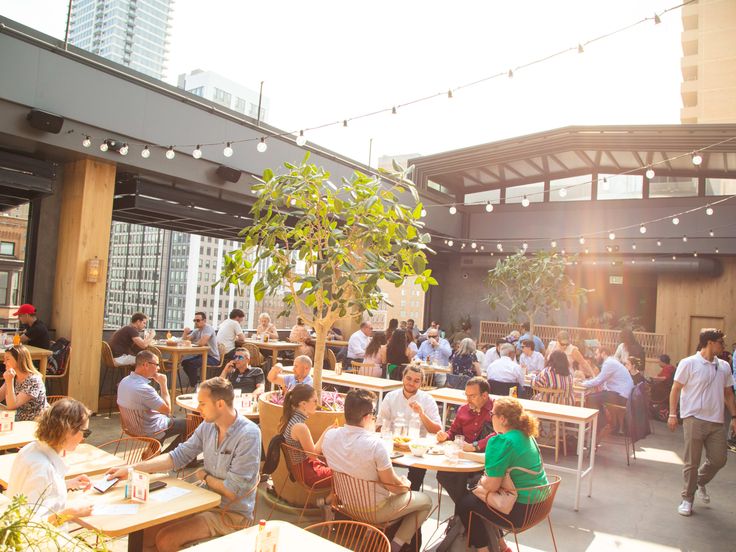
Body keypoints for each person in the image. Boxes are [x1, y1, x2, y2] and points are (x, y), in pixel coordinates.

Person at [107, 377, 261, 552]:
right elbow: (177, 456)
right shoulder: (208, 426)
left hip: (231, 515)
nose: (198, 408)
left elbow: (233, 492)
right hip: (202, 502)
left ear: (219, 404)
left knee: (167, 539)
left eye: (202, 404)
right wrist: (131, 469)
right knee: (147, 531)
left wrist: (205, 477)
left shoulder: (248, 434)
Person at [322, 389, 432, 552]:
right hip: (375, 511)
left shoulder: (329, 436)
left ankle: (378, 538)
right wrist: (405, 485)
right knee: (426, 501)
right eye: (373, 412)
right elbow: (393, 487)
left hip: (345, 505)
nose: (374, 416)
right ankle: (395, 546)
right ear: (367, 417)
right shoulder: (375, 445)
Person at [455, 398, 548, 552]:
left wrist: (482, 481)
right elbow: (497, 459)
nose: (490, 417)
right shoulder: (526, 436)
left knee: (466, 504)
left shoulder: (501, 441)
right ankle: (503, 547)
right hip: (539, 505)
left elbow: (492, 485)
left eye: (492, 414)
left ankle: (484, 550)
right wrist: (463, 454)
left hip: (520, 511)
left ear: (502, 419)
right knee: (478, 500)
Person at [668, 329, 736, 517]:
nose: (723, 346)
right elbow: (675, 389)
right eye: (720, 342)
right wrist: (673, 414)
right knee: (692, 461)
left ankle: (699, 481)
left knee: (719, 459)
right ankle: (687, 499)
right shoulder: (688, 363)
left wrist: (734, 417)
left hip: (716, 421)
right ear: (710, 343)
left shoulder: (724, 366)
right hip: (693, 419)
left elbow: (728, 393)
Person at [7, 398, 94, 525]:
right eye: (85, 432)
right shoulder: (43, 469)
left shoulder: (31, 449)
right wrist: (70, 513)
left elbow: (36, 492)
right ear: (68, 430)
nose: (84, 438)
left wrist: (66, 484)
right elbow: (30, 525)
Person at [377, 365, 442, 492]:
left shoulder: (427, 399)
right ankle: (383, 493)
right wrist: (390, 437)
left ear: (421, 383)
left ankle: (411, 495)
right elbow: (379, 425)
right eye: (409, 378)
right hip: (393, 446)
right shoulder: (391, 396)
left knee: (418, 470)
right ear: (403, 378)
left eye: (416, 381)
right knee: (376, 459)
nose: (411, 383)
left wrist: (422, 414)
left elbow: (437, 430)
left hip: (416, 449)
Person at [436, 377, 495, 505]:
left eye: (472, 396)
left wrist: (475, 446)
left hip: (486, 460)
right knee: (442, 474)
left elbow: (498, 435)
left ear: (484, 395)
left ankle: (465, 513)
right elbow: (454, 432)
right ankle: (467, 511)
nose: (468, 400)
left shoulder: (496, 410)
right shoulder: (463, 409)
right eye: (466, 395)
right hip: (463, 458)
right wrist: (445, 435)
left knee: (465, 480)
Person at [117, 350, 187, 453]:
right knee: (194, 424)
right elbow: (167, 410)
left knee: (168, 419)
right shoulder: (144, 389)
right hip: (148, 429)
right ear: (146, 365)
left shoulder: (125, 381)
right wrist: (163, 384)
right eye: (157, 364)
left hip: (131, 427)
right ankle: (167, 457)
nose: (159, 368)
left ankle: (152, 452)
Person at [280, 384, 333, 487]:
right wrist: (326, 433)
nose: (317, 404)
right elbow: (313, 456)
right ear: (303, 404)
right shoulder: (300, 427)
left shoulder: (292, 419)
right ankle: (327, 501)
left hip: (303, 469)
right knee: (344, 475)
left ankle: (328, 499)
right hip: (308, 474)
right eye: (315, 401)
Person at [581, 347, 634, 432]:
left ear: (603, 353)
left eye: (597, 354)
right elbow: (603, 381)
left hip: (621, 396)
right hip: (621, 394)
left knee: (591, 398)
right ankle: (601, 423)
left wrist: (582, 384)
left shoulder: (609, 363)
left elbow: (599, 380)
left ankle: (601, 424)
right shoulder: (612, 361)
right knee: (594, 396)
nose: (595, 357)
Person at [0, 345, 48, 421]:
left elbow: (12, 405)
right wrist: (8, 381)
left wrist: (9, 382)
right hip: (16, 417)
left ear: (19, 360)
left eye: (7, 359)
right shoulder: (14, 376)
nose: (4, 362)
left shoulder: (33, 380)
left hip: (32, 421)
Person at [181, 312, 220, 387]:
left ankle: (196, 386)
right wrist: (185, 333)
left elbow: (202, 342)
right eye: (194, 320)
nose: (196, 322)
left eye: (198, 320)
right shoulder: (197, 330)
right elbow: (185, 341)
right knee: (185, 362)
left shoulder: (208, 328)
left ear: (204, 320)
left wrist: (192, 342)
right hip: (202, 356)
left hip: (213, 357)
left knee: (192, 364)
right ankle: (197, 383)